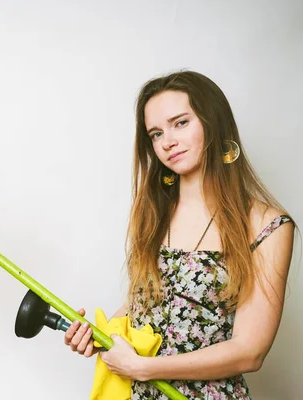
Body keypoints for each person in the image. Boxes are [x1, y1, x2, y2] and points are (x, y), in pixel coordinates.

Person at [63, 70, 297, 399]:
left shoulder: (268, 224)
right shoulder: (153, 215)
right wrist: (99, 335)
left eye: (181, 123)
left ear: (213, 122)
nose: (167, 141)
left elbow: (250, 351)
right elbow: (143, 306)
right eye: (156, 133)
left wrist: (143, 368)